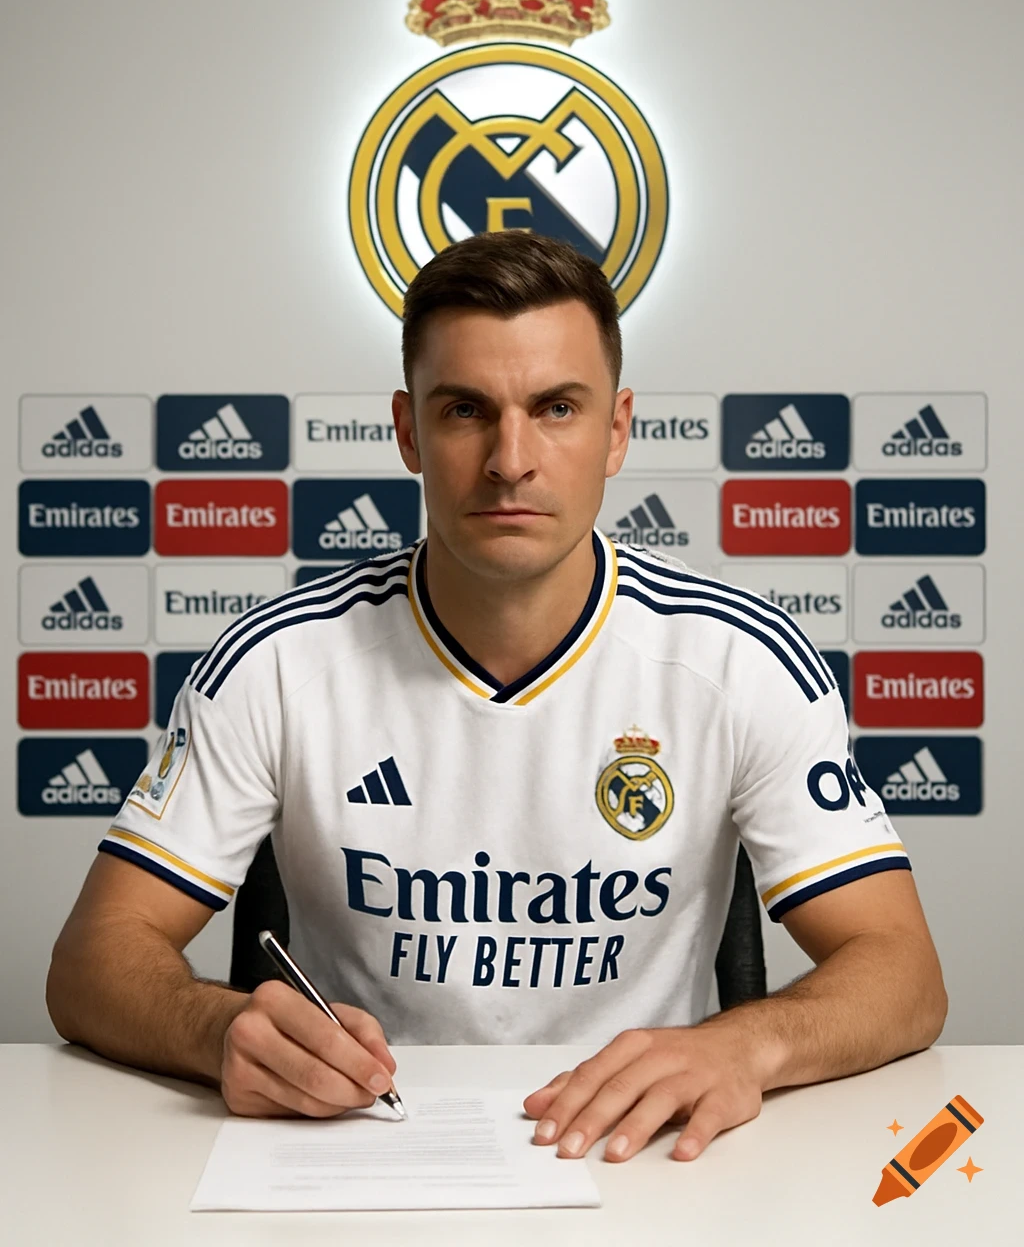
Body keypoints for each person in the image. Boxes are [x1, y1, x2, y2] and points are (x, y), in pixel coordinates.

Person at [47, 231, 947, 1165]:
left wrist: (745, 1042)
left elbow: (905, 971)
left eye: (557, 407)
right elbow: (91, 963)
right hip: (354, 1155)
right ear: (407, 431)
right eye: (466, 409)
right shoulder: (278, 660)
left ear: (618, 429)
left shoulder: (738, 659)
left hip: (639, 1161)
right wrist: (216, 1031)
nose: (510, 459)